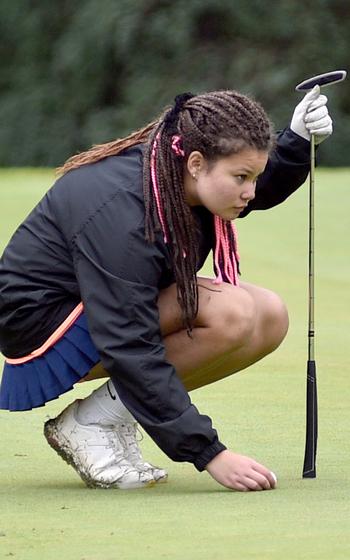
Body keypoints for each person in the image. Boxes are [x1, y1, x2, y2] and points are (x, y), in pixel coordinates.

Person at [0, 86, 332, 492]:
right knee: (232, 313)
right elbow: (128, 340)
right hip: (45, 330)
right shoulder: (125, 215)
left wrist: (295, 140)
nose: (250, 191)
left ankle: (101, 415)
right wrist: (209, 452)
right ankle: (88, 426)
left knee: (269, 314)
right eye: (242, 178)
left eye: (255, 177)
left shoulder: (176, 168)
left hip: (100, 312)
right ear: (195, 162)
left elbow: (234, 184)